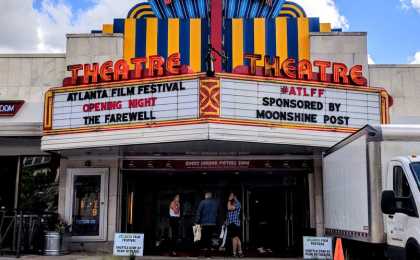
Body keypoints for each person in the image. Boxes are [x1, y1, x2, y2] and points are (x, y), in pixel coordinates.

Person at [227, 192, 243, 257]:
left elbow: (229, 208)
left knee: (234, 238)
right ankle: (240, 252)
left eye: (231, 195)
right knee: (237, 238)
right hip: (232, 223)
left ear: (234, 196)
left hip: (235, 223)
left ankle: (234, 253)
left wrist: (229, 200)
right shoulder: (232, 203)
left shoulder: (238, 203)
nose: (230, 196)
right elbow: (229, 210)